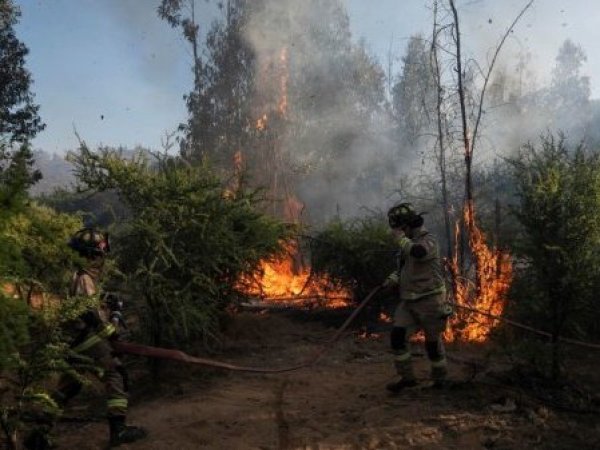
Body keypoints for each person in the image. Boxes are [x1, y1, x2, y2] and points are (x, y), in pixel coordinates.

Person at [26, 228, 147, 449]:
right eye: (99, 255)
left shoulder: (81, 277)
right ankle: (118, 430)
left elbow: (89, 304)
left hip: (73, 340)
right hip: (85, 338)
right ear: (92, 255)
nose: (101, 260)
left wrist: (107, 303)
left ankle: (39, 435)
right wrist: (110, 332)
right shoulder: (84, 277)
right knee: (115, 372)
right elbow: (90, 313)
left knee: (69, 386)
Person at [383, 203, 449, 392]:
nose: (397, 232)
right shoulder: (408, 243)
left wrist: (401, 239)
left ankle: (439, 380)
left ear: (408, 226)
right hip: (409, 301)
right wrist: (393, 278)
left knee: (432, 343)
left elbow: (419, 254)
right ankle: (407, 378)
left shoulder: (429, 240)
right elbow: (404, 268)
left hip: (430, 300)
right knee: (397, 336)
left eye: (399, 228)